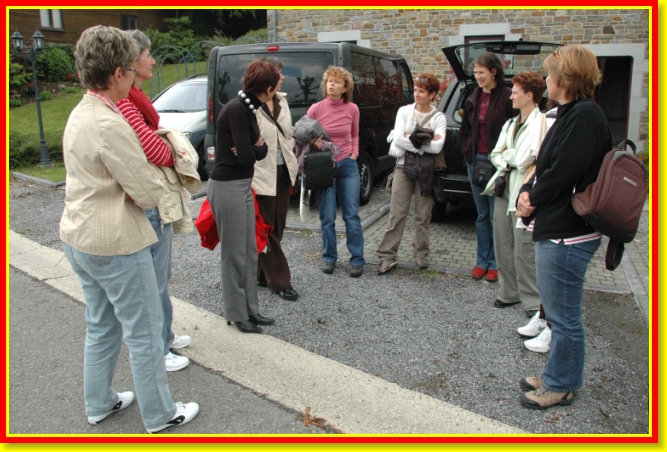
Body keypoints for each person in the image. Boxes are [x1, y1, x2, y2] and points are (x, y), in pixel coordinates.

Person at [60, 25, 198, 434]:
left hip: (79, 236)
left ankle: (99, 403)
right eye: (132, 68)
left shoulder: (82, 111)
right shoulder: (110, 122)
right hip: (116, 242)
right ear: (118, 73)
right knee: (144, 331)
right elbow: (147, 190)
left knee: (102, 324)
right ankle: (160, 414)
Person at [516, 45, 611, 409]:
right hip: (559, 228)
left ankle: (562, 384)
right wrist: (527, 191)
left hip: (569, 234)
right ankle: (558, 372)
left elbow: (562, 173)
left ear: (566, 79)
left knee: (564, 316)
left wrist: (532, 198)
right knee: (557, 313)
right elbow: (545, 166)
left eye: (550, 73)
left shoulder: (584, 115)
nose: (545, 79)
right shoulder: (572, 112)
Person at [117, 29, 191, 372]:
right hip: (146, 200)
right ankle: (158, 349)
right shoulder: (126, 102)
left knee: (161, 274)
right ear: (132, 61)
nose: (153, 60)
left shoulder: (135, 99)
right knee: (152, 279)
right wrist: (170, 145)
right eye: (148, 55)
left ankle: (166, 335)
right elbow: (157, 151)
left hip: (153, 196)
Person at [208, 59, 277, 334]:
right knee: (234, 254)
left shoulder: (248, 107)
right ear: (268, 88)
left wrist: (252, 148)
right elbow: (250, 155)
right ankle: (237, 313)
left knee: (249, 251)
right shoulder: (238, 109)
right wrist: (253, 148)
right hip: (228, 186)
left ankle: (251, 309)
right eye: (277, 83)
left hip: (242, 185)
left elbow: (256, 151)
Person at [483, 71, 545, 313]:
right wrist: (510, 158)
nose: (510, 96)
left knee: (523, 249)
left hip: (524, 192)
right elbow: (495, 154)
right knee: (503, 243)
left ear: (529, 95)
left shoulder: (542, 124)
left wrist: (509, 156)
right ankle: (508, 293)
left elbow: (523, 159)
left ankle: (532, 301)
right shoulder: (510, 124)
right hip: (503, 189)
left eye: (515, 92)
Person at [376, 73, 446, 274]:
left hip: (427, 170)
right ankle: (387, 255)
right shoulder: (404, 111)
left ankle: (421, 253)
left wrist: (410, 137)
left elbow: (437, 147)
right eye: (415, 90)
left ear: (432, 94)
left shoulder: (439, 118)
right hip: (403, 166)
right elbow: (398, 139)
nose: (417, 94)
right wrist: (425, 140)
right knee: (397, 212)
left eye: (421, 91)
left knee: (423, 215)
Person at [459, 52, 514, 282]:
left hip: (496, 162)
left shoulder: (508, 97)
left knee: (495, 216)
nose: (477, 76)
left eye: (481, 72)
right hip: (475, 160)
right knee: (482, 214)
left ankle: (495, 263)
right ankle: (481, 261)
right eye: (475, 72)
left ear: (494, 71)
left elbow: (514, 130)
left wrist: (505, 157)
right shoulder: (473, 97)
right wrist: (467, 151)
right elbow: (464, 129)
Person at [307, 66, 364, 277]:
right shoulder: (315, 109)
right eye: (329, 81)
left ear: (345, 88)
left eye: (337, 81)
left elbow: (355, 134)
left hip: (347, 165)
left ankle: (357, 259)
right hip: (324, 166)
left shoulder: (353, 109)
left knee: (351, 215)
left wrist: (355, 153)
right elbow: (303, 136)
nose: (332, 84)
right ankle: (329, 257)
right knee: (328, 216)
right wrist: (312, 144)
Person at [252, 58, 299, 301]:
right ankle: (280, 281)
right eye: (278, 74)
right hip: (261, 173)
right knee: (267, 227)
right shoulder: (251, 105)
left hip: (283, 172)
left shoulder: (282, 100)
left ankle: (260, 274)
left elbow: (287, 135)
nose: (282, 78)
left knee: (278, 225)